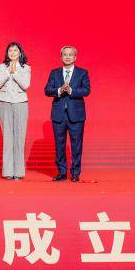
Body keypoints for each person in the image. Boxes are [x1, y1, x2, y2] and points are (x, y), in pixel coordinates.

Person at [45, 46, 91, 182]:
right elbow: (47, 90)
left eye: (70, 55)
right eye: (65, 54)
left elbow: (86, 90)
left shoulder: (82, 73)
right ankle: (62, 173)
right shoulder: (54, 73)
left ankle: (75, 174)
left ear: (75, 57)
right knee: (59, 145)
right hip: (58, 115)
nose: (68, 57)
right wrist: (59, 90)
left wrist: (71, 90)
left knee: (76, 145)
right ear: (61, 57)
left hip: (76, 115)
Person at [0, 42, 31, 180]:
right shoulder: (2, 67)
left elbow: (26, 85)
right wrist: (8, 71)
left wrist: (15, 72)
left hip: (21, 103)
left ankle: (19, 172)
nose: (13, 53)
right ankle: (8, 171)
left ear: (20, 53)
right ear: (7, 53)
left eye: (15, 50)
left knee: (20, 137)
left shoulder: (26, 67)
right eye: (10, 50)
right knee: (7, 137)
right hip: (5, 102)